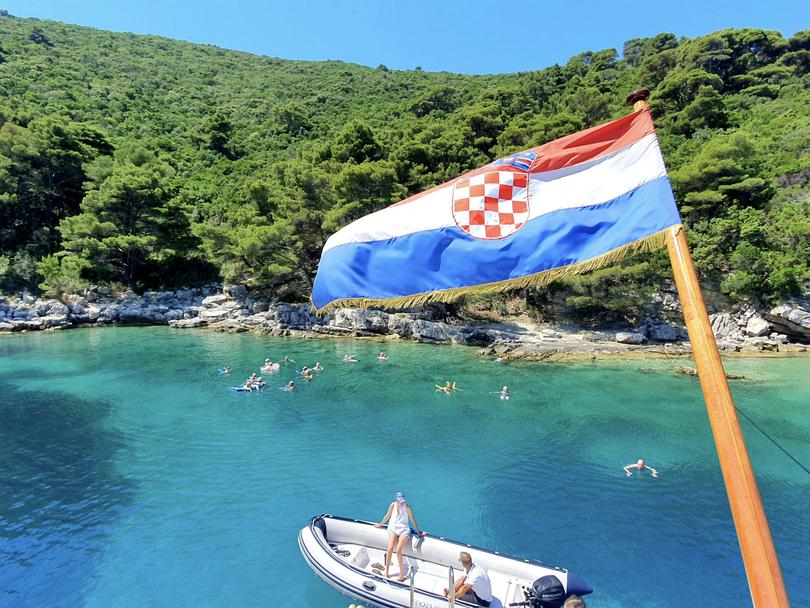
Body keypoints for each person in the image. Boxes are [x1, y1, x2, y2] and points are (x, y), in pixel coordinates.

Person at [374, 492, 426, 581]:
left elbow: (412, 520)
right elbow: (387, 516)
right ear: (396, 501)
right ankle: (386, 572)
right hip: (393, 528)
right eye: (400, 502)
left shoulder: (407, 508)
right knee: (390, 548)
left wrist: (418, 533)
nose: (401, 503)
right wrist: (380, 524)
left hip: (404, 529)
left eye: (402, 501)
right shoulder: (392, 505)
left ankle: (401, 575)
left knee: (398, 549)